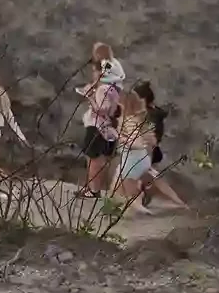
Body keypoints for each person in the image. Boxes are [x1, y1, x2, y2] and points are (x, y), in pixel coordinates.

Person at [122, 82, 191, 212]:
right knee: (150, 179)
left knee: (147, 179)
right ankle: (176, 202)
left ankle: (143, 202)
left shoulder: (148, 116)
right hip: (148, 151)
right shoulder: (153, 112)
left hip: (147, 152)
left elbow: (149, 138)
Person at [76, 42, 125, 197]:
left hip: (98, 126)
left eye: (95, 71)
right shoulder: (113, 87)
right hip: (106, 128)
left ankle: (93, 189)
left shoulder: (104, 89)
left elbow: (102, 110)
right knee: (98, 158)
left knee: (94, 159)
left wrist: (89, 96)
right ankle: (94, 188)